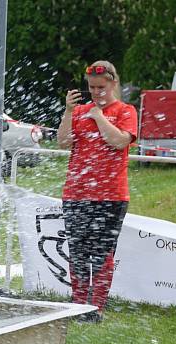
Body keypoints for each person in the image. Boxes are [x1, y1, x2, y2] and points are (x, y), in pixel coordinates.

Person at [57, 60, 137, 323]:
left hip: (111, 196)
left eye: (101, 87)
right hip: (76, 194)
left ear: (113, 83)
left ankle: (96, 308)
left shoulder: (126, 110)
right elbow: (63, 142)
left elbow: (118, 142)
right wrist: (69, 111)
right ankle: (78, 306)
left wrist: (99, 117)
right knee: (78, 252)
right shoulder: (80, 111)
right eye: (92, 88)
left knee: (102, 253)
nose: (96, 92)